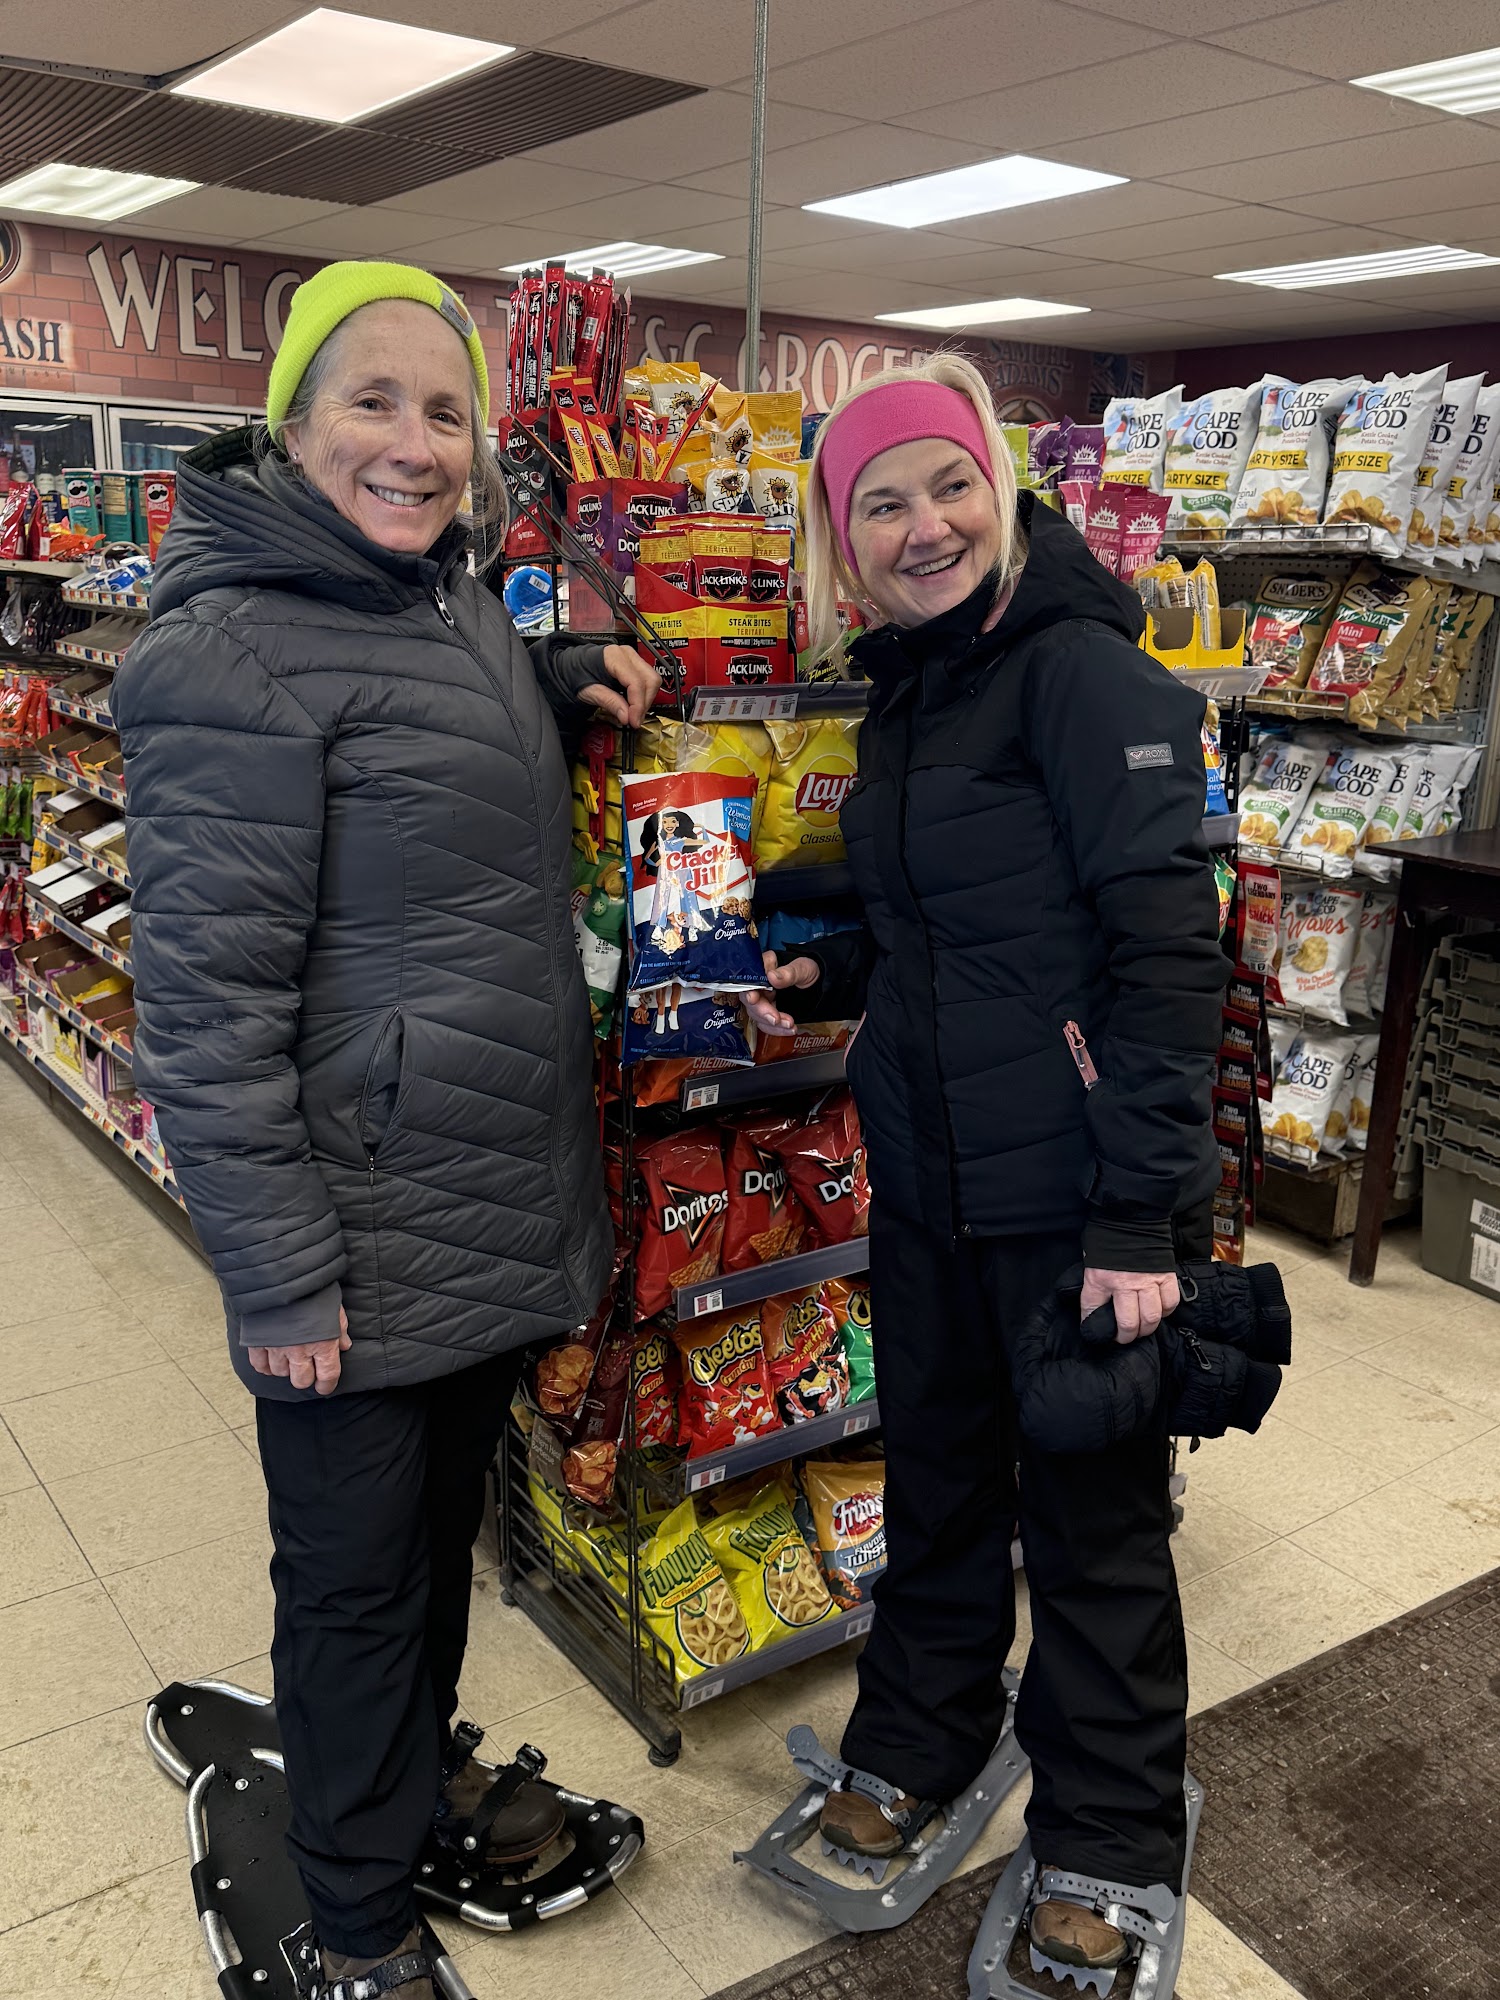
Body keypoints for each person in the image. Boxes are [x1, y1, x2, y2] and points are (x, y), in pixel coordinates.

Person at [112, 262, 656, 2000]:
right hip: (350, 1241)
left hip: (472, 1209)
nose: (414, 444)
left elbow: (437, 720)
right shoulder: (225, 653)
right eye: (372, 401)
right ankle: (356, 1933)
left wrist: (560, 672)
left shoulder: (445, 604)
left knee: (425, 1567)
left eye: (444, 411)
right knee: (355, 1591)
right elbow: (204, 1010)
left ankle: (400, 1791)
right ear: (291, 422)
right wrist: (277, 1276)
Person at [746, 356, 1227, 1980]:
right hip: (932, 1182)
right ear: (844, 543)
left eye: (950, 485)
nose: (925, 525)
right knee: (941, 1485)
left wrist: (1140, 1214)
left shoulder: (1081, 672)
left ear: (1001, 493)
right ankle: (925, 1734)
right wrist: (832, 975)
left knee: (1093, 1524)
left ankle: (1112, 1836)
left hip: (1080, 1199)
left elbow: (1169, 955)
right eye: (882, 503)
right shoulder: (910, 688)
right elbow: (953, 931)